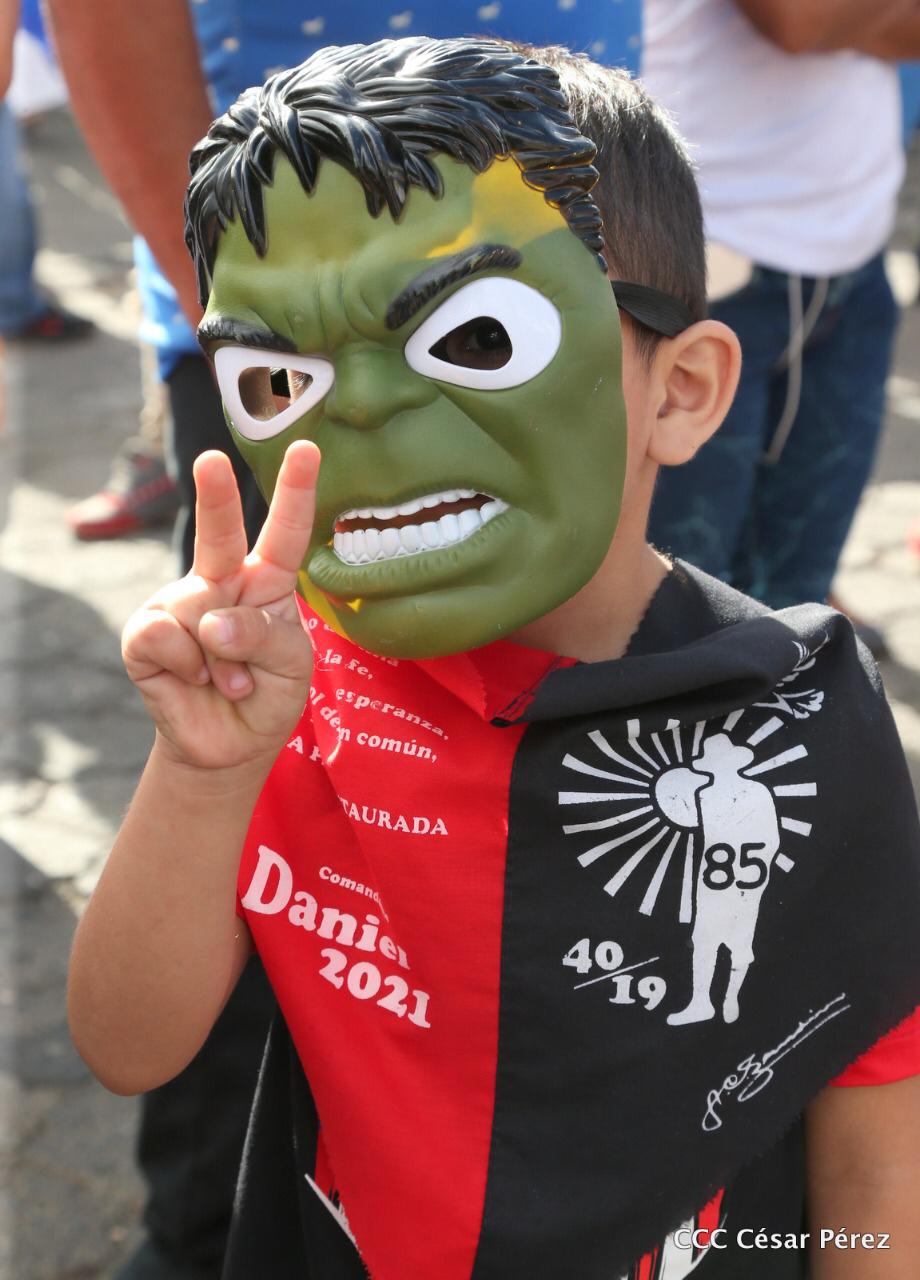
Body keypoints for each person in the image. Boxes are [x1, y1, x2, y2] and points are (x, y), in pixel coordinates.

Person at [68, 36, 920, 1280]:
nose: (356, 407)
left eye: (472, 339)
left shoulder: (795, 719)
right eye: (277, 375)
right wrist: (199, 773)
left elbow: (873, 1136)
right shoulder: (286, 701)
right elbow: (127, 1045)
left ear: (679, 390)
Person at [643, 0, 920, 641]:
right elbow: (799, 22)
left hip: (853, 250)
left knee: (798, 594)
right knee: (680, 616)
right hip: (706, 260)